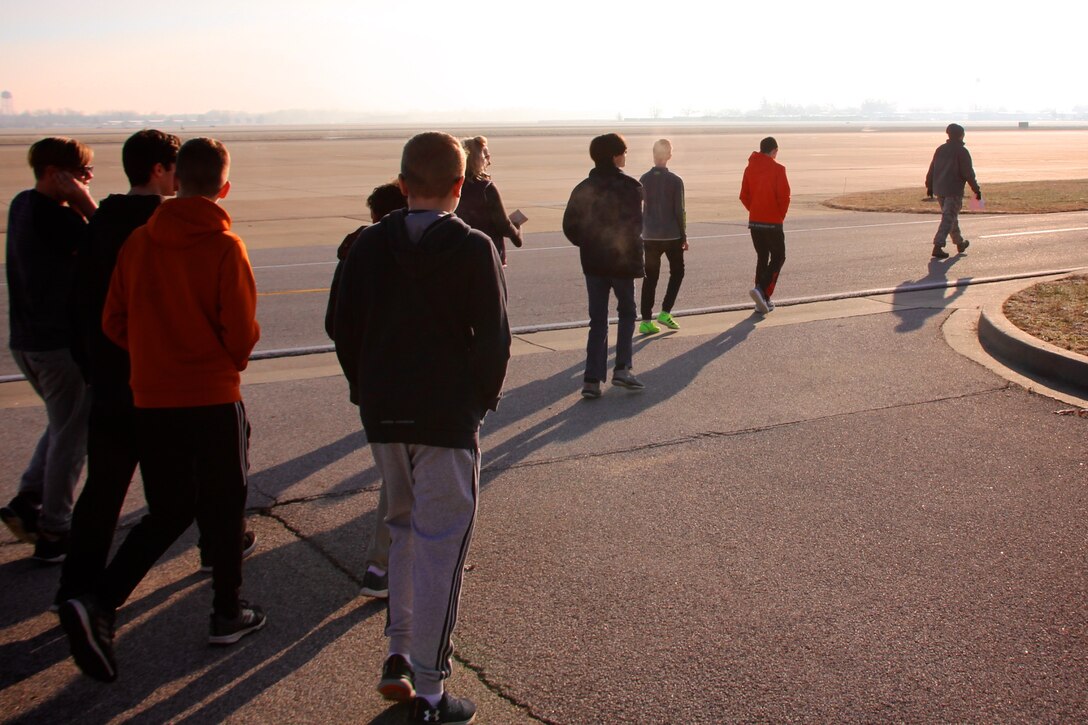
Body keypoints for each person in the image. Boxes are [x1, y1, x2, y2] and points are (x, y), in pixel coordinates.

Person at [58, 137, 265, 683]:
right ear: (223, 187)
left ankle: (100, 599)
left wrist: (157, 355)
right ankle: (227, 610)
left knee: (169, 509)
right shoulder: (226, 247)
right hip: (212, 395)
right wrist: (209, 357)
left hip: (152, 398)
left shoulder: (139, 243)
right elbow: (241, 336)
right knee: (224, 503)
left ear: (179, 182)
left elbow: (113, 320)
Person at [333, 131, 510, 724]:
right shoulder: (471, 246)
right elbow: (493, 338)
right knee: (442, 548)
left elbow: (342, 324)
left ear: (402, 183)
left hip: (385, 416)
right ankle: (432, 689)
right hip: (445, 418)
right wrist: (478, 403)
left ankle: (400, 652)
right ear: (460, 187)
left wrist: (366, 390)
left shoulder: (366, 245)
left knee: (405, 531)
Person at [2, 137, 97, 563]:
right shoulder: (62, 219)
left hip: (27, 344)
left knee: (61, 425)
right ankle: (56, 529)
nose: (87, 179)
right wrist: (85, 201)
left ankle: (28, 501)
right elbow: (108, 247)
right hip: (59, 348)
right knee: (74, 435)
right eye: (81, 173)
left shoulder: (22, 205)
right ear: (57, 173)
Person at [324, 180, 407, 600]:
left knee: (400, 475)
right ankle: (381, 565)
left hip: (372, 384)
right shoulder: (396, 252)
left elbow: (335, 324)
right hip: (402, 385)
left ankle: (410, 552)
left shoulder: (353, 253)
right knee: (404, 480)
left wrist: (358, 377)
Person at [562, 132, 645, 399]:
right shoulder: (630, 187)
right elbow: (636, 226)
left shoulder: (583, 188)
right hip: (621, 262)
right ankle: (622, 368)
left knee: (597, 320)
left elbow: (570, 227)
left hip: (594, 262)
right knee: (627, 313)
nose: (625, 155)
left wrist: (587, 243)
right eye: (623, 151)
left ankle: (591, 379)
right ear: (614, 155)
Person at [638, 138, 687, 334]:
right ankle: (666, 311)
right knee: (677, 272)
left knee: (650, 277)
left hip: (650, 236)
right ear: (669, 156)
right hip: (671, 236)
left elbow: (639, 209)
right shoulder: (675, 181)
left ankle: (646, 320)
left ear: (653, 155)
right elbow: (680, 210)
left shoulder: (643, 179)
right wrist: (684, 236)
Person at [739, 136, 790, 315]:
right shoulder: (778, 169)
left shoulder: (749, 169)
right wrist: (779, 216)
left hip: (755, 221)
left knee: (762, 256)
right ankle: (761, 291)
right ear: (774, 151)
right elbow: (784, 197)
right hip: (772, 222)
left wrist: (754, 210)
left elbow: (744, 196)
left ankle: (762, 300)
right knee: (779, 257)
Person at [455, 136, 523, 266]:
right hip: (486, 256)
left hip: (459, 255)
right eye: (486, 157)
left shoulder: (452, 186)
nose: (489, 162)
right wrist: (517, 231)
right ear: (476, 159)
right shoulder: (486, 188)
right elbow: (503, 225)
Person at [925, 123, 982, 259]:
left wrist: (930, 186)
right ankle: (938, 245)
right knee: (948, 218)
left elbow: (932, 168)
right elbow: (968, 173)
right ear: (961, 135)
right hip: (953, 190)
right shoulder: (961, 151)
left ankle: (960, 243)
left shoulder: (941, 149)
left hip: (940, 189)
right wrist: (976, 189)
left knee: (950, 217)